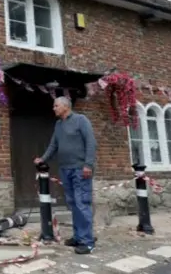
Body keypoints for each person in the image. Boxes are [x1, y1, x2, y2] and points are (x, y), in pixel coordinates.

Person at [34, 96, 97, 254]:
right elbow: (54, 145)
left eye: (56, 105)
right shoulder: (59, 124)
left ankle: (87, 242)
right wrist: (43, 158)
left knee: (82, 203)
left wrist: (88, 164)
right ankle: (78, 236)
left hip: (80, 169)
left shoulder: (81, 120)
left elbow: (91, 142)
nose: (53, 108)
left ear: (65, 106)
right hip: (65, 169)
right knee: (73, 204)